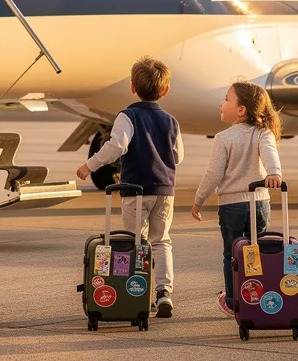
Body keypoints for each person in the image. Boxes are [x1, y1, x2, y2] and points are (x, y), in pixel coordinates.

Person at [77, 56, 184, 317]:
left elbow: (117, 146)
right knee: (162, 242)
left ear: (132, 86)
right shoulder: (171, 120)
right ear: (166, 90)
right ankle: (164, 293)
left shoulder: (127, 116)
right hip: (164, 190)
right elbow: (178, 156)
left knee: (136, 242)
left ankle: (136, 291)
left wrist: (90, 165)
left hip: (135, 190)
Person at [190, 81, 284, 317]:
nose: (222, 103)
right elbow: (270, 153)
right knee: (258, 251)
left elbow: (214, 173)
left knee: (231, 254)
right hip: (260, 202)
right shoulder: (264, 133)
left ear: (241, 110)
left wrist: (199, 199)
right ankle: (257, 295)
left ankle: (232, 300)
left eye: (226, 99)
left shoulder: (224, 138)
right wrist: (274, 173)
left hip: (231, 205)